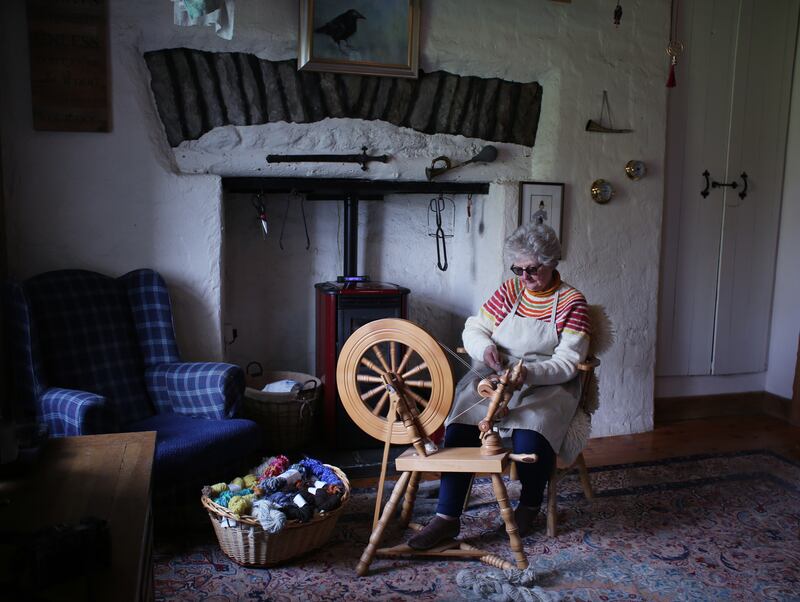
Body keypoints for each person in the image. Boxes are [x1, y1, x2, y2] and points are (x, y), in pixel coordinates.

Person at [408, 222, 591, 550]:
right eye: (518, 269)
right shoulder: (509, 292)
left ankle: (529, 506)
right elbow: (473, 329)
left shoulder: (572, 303)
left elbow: (566, 363)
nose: (524, 277)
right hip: (495, 378)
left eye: (532, 269)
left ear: (551, 263)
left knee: (531, 428)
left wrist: (528, 374)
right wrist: (484, 349)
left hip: (548, 384)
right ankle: (447, 518)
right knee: (461, 423)